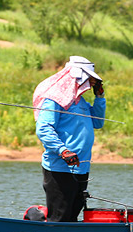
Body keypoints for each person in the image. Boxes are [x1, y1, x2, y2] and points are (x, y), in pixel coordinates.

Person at [33, 56, 106, 222]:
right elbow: (44, 129)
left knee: (72, 217)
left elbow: (98, 122)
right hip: (60, 168)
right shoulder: (54, 100)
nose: (92, 81)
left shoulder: (80, 102)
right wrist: (63, 151)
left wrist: (100, 98)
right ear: (78, 76)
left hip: (81, 167)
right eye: (89, 78)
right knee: (60, 218)